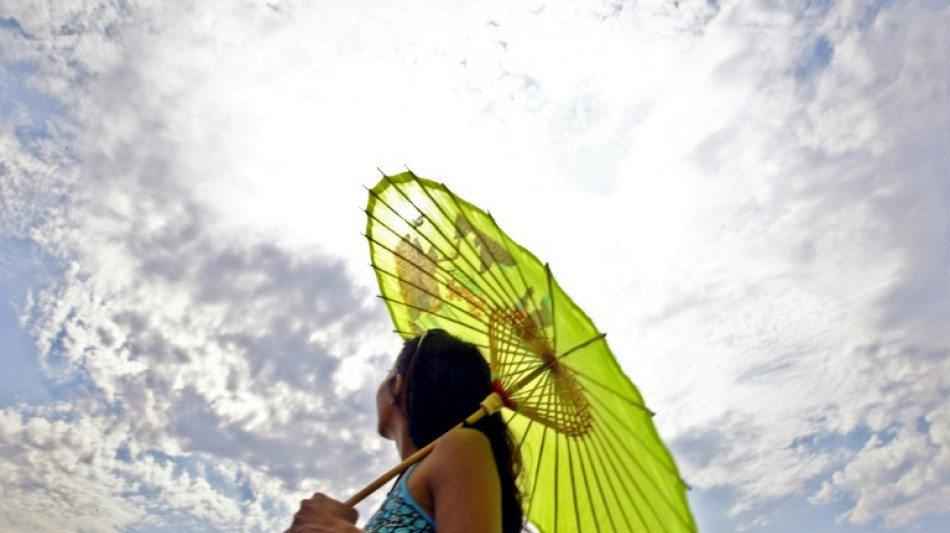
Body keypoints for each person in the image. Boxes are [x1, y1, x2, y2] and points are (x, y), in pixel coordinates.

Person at [287, 329, 523, 533]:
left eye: (388, 371)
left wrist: (336, 529)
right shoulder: (404, 485)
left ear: (398, 384)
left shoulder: (463, 446)